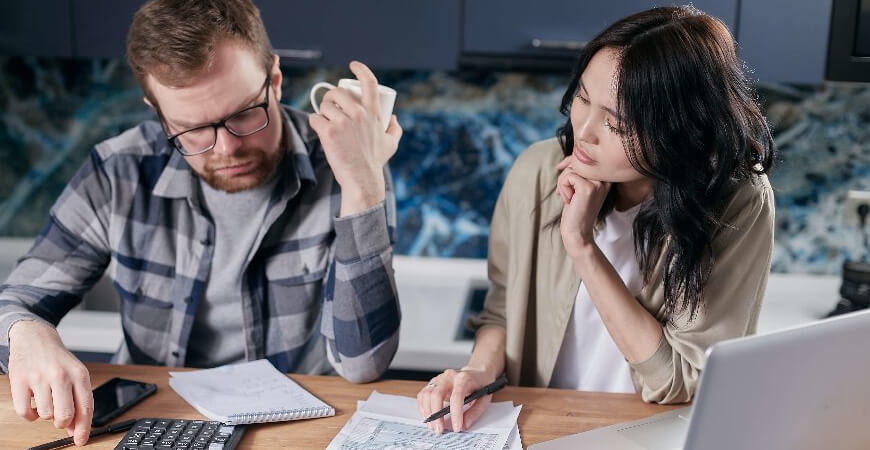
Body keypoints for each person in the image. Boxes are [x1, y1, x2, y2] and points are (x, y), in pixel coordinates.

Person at [0, 0, 402, 445]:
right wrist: (26, 333)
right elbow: (15, 302)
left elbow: (363, 362)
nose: (226, 149)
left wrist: (363, 186)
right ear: (155, 108)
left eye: (244, 114)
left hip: (294, 429)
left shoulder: (347, 163)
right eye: (192, 130)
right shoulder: (118, 171)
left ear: (274, 78)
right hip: (153, 422)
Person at [417, 5, 775, 434]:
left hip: (652, 435)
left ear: (676, 130)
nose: (584, 130)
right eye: (583, 98)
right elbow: (501, 312)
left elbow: (678, 380)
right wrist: (477, 373)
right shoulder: (537, 171)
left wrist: (582, 245)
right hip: (542, 429)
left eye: (616, 123)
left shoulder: (735, 203)